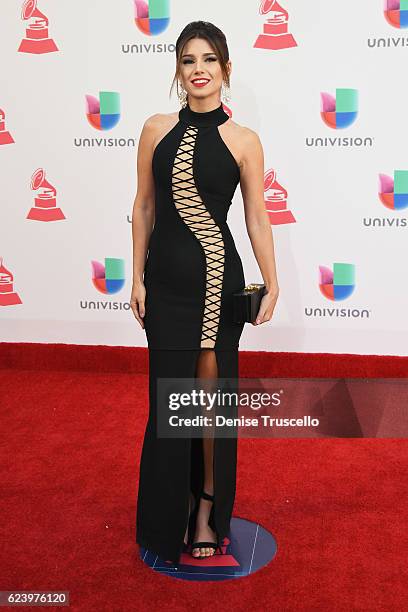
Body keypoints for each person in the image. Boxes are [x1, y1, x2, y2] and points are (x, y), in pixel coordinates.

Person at [130, 20, 279, 564]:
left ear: (226, 69)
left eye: (209, 59)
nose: (199, 70)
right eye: (189, 60)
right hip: (165, 286)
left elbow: (257, 217)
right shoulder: (154, 129)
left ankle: (206, 508)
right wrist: (138, 277)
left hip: (219, 283)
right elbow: (144, 205)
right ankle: (169, 511)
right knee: (169, 402)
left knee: (210, 406)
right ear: (178, 69)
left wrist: (272, 279)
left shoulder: (244, 141)